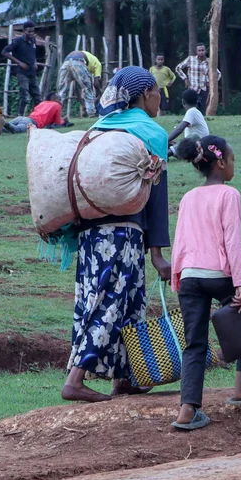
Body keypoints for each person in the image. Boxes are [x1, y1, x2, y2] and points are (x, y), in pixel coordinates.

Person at [60, 66, 171, 403]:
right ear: (146, 93)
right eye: (157, 93)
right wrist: (158, 254)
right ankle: (75, 379)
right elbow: (156, 198)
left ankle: (125, 378)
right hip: (123, 233)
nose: (160, 100)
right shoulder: (151, 133)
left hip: (90, 233)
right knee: (110, 301)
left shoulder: (99, 129)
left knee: (124, 301)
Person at [168, 134, 241, 431]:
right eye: (233, 159)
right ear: (220, 162)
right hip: (219, 273)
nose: (234, 165)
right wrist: (240, 282)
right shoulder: (229, 195)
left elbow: (181, 241)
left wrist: (178, 280)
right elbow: (232, 242)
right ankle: (240, 388)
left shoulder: (188, 197)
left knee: (194, 343)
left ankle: (188, 410)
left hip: (190, 277)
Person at [2, 21, 41, 117]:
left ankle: (36, 116)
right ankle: (20, 116)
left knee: (37, 97)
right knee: (25, 97)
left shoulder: (33, 41)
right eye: (29, 31)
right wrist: (19, 62)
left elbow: (32, 53)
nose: (31, 34)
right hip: (22, 73)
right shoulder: (18, 41)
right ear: (24, 31)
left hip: (32, 73)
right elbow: (5, 52)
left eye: (32, 31)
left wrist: (35, 62)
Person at [0, 89, 65, 134]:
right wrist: (64, 121)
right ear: (54, 99)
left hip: (23, 118)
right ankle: (5, 123)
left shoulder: (43, 103)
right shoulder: (57, 105)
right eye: (59, 99)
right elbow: (57, 123)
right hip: (31, 123)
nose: (61, 102)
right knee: (17, 130)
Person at [175, 44, 219, 113]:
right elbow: (178, 68)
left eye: (202, 50)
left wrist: (211, 82)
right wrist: (185, 79)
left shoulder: (209, 61)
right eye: (199, 50)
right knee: (192, 108)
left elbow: (218, 74)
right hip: (192, 88)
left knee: (203, 108)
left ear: (205, 51)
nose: (201, 52)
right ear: (196, 52)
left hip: (203, 88)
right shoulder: (191, 59)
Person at [58, 50, 100, 117]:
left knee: (62, 91)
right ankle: (91, 113)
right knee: (87, 89)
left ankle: (56, 113)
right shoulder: (98, 64)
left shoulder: (88, 58)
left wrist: (83, 105)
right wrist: (100, 93)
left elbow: (76, 88)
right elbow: (96, 84)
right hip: (78, 62)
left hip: (66, 62)